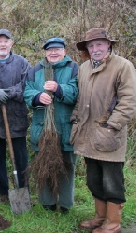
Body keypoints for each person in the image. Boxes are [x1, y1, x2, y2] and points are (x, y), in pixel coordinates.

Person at [71, 28, 136, 232]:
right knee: (94, 179)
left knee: (112, 181)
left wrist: (112, 125)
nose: (95, 49)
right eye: (91, 45)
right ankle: (100, 218)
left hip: (110, 135)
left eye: (99, 44)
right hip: (87, 134)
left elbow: (129, 100)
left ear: (109, 45)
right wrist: (75, 117)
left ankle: (113, 223)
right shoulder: (84, 68)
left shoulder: (123, 66)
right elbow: (81, 98)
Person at [24, 37, 79, 213]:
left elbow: (77, 92)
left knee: (67, 166)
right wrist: (37, 97)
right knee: (44, 164)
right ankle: (47, 202)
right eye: (49, 50)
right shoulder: (36, 70)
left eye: (57, 49)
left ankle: (65, 205)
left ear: (64, 51)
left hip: (66, 126)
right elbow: (27, 91)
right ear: (45, 52)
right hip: (42, 127)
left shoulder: (73, 69)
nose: (53, 53)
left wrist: (59, 89)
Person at [0, 29, 31, 204]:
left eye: (6, 41)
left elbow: (27, 84)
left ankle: (23, 188)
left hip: (16, 118)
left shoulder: (22, 63)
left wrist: (9, 92)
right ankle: (3, 191)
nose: (3, 44)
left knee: (20, 158)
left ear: (12, 43)